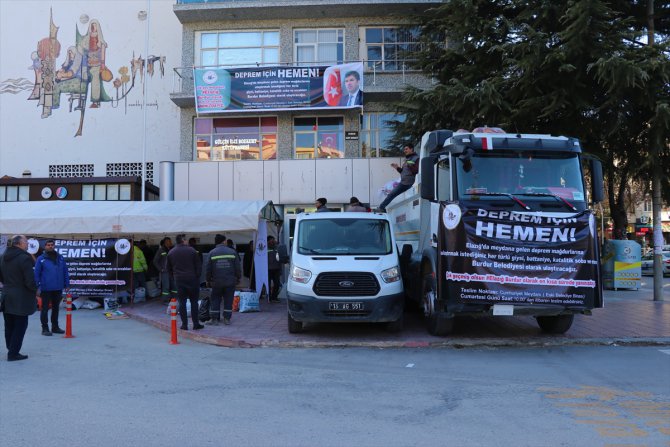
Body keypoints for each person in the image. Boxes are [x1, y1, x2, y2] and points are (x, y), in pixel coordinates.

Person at [0, 235, 37, 361]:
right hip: (21, 297)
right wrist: (36, 291)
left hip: (6, 294)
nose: (27, 244)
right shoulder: (24, 258)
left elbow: (1, 278)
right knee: (20, 325)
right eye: (26, 242)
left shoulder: (3, 256)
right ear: (19, 244)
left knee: (9, 324)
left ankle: (11, 348)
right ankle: (13, 353)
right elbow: (30, 281)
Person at [167, 234, 204, 331]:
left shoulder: (171, 252)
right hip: (192, 279)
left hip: (179, 280)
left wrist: (174, 277)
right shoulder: (192, 250)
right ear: (183, 240)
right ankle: (196, 324)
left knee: (182, 302)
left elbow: (168, 269)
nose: (187, 241)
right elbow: (198, 265)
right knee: (194, 302)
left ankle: (184, 325)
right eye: (186, 239)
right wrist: (197, 276)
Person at [34, 239, 69, 336]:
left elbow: (65, 272)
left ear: (54, 246)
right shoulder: (41, 259)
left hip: (58, 288)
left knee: (56, 308)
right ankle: (45, 328)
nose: (50, 246)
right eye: (48, 245)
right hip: (46, 288)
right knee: (45, 309)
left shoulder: (60, 258)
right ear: (45, 247)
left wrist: (67, 284)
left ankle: (55, 327)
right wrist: (37, 287)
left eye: (52, 245)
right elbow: (36, 274)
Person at [206, 234, 241, 326]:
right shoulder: (232, 252)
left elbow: (208, 269)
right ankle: (227, 319)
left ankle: (214, 319)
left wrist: (208, 280)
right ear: (224, 241)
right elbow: (237, 267)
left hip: (216, 282)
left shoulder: (212, 253)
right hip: (230, 281)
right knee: (228, 299)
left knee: (215, 299)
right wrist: (238, 277)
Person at [377, 143, 419, 212]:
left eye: (406, 149)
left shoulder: (416, 158)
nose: (405, 151)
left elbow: (416, 170)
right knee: (392, 194)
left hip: (410, 183)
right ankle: (382, 207)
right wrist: (397, 168)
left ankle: (382, 207)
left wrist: (410, 164)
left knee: (395, 195)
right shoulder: (407, 159)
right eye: (404, 149)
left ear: (411, 149)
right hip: (404, 182)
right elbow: (404, 172)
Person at [153, 237, 176, 304]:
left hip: (172, 271)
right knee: (166, 286)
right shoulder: (161, 250)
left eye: (170, 241)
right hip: (165, 272)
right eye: (169, 241)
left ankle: (174, 299)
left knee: (174, 286)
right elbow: (155, 261)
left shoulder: (172, 249)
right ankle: (165, 300)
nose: (171, 242)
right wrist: (161, 269)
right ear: (165, 242)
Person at [267, 236, 281, 303]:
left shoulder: (277, 247)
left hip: (276, 268)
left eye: (273, 239)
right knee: (268, 284)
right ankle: (269, 297)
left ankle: (274, 297)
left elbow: (280, 256)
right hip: (268, 269)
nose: (273, 241)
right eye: (272, 240)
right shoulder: (265, 248)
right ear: (268, 241)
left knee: (277, 284)